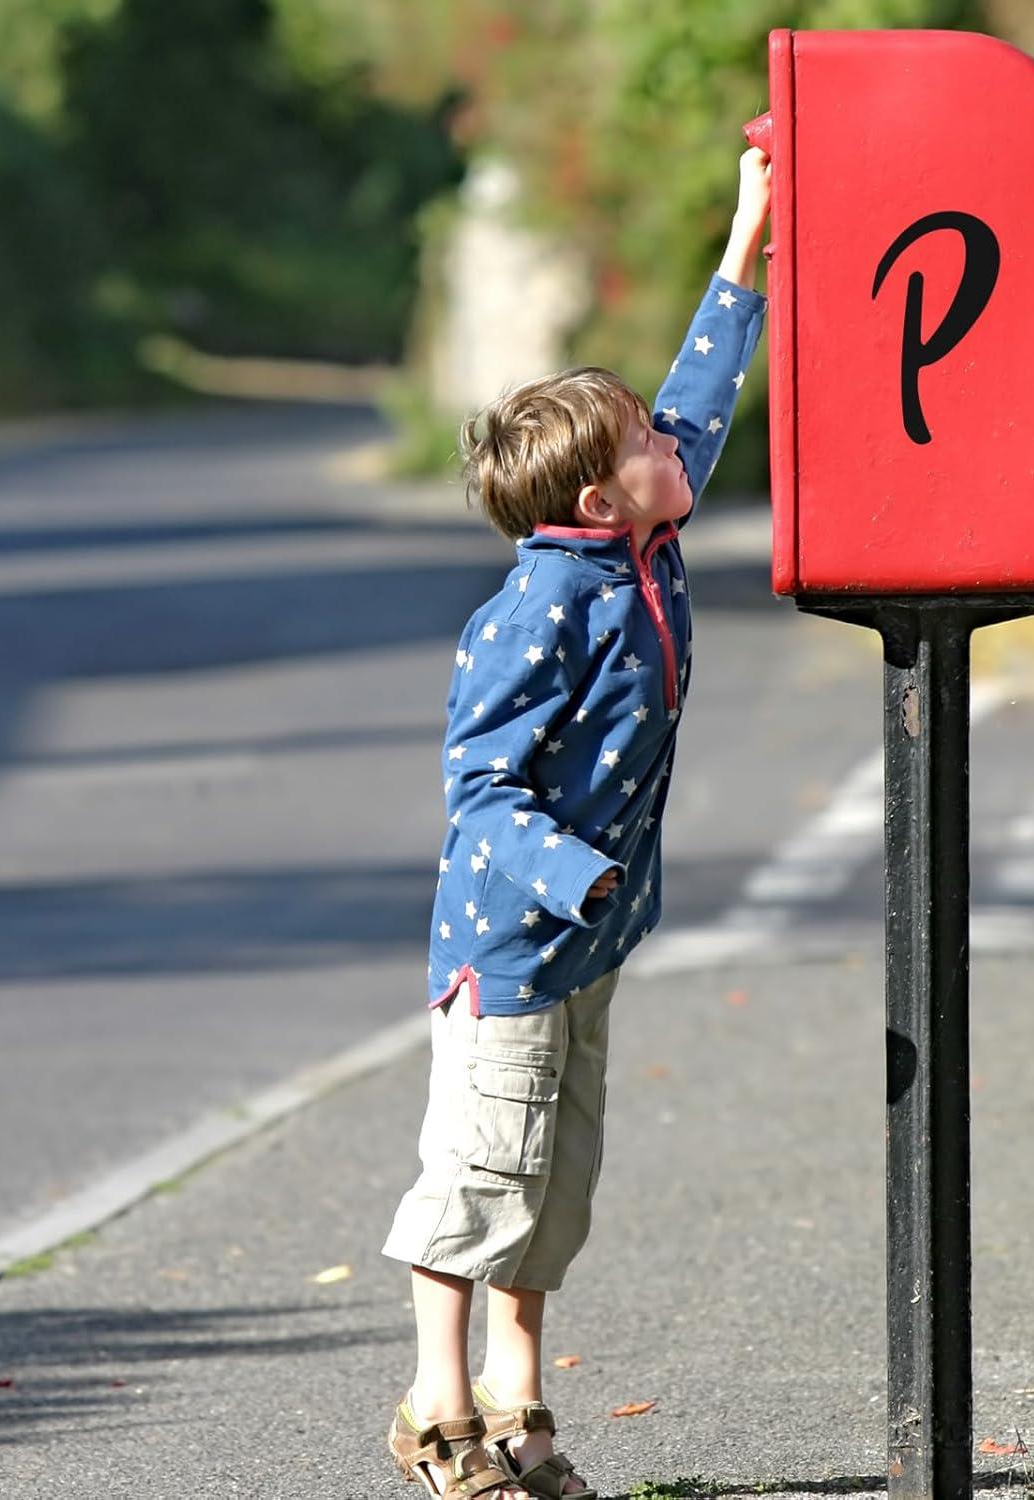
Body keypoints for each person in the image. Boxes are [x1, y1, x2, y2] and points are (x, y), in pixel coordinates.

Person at [383, 146, 773, 1498]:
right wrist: (582, 880)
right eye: (648, 445)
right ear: (599, 500)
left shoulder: (640, 548)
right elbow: (478, 785)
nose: (678, 444)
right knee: (480, 1170)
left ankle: (524, 1406)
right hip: (512, 942)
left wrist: (747, 238)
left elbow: (702, 401)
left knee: (552, 1183)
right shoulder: (536, 609)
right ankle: (440, 1411)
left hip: (588, 937)